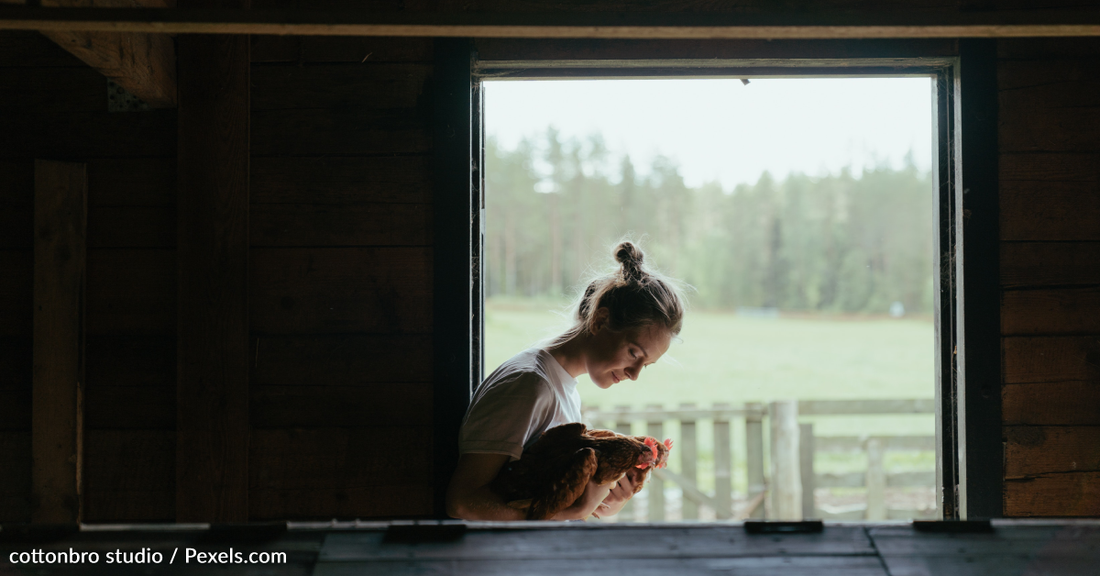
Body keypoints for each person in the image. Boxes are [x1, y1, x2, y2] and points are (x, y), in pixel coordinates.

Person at [446, 241, 687, 521]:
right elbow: (463, 503)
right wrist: (577, 511)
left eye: (646, 364)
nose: (634, 374)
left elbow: (535, 497)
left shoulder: (563, 387)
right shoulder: (529, 386)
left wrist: (602, 502)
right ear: (599, 320)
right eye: (634, 353)